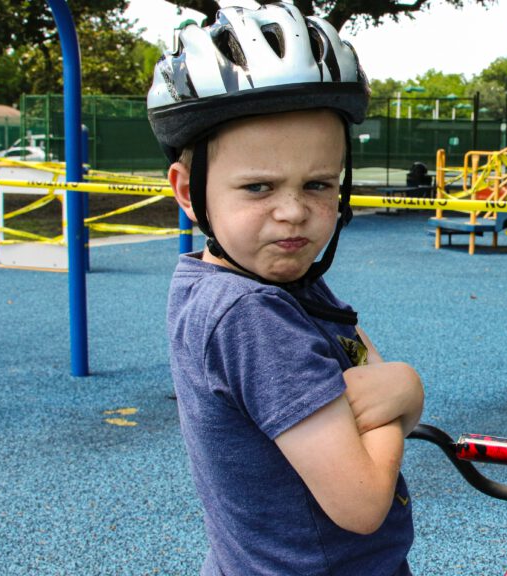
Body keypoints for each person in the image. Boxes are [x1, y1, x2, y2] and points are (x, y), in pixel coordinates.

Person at [146, 4, 423, 575]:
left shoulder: (261, 280)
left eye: (318, 184)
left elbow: (359, 370)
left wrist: (381, 398)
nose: (294, 212)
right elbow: (363, 501)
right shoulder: (252, 315)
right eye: (258, 187)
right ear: (188, 191)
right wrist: (407, 391)